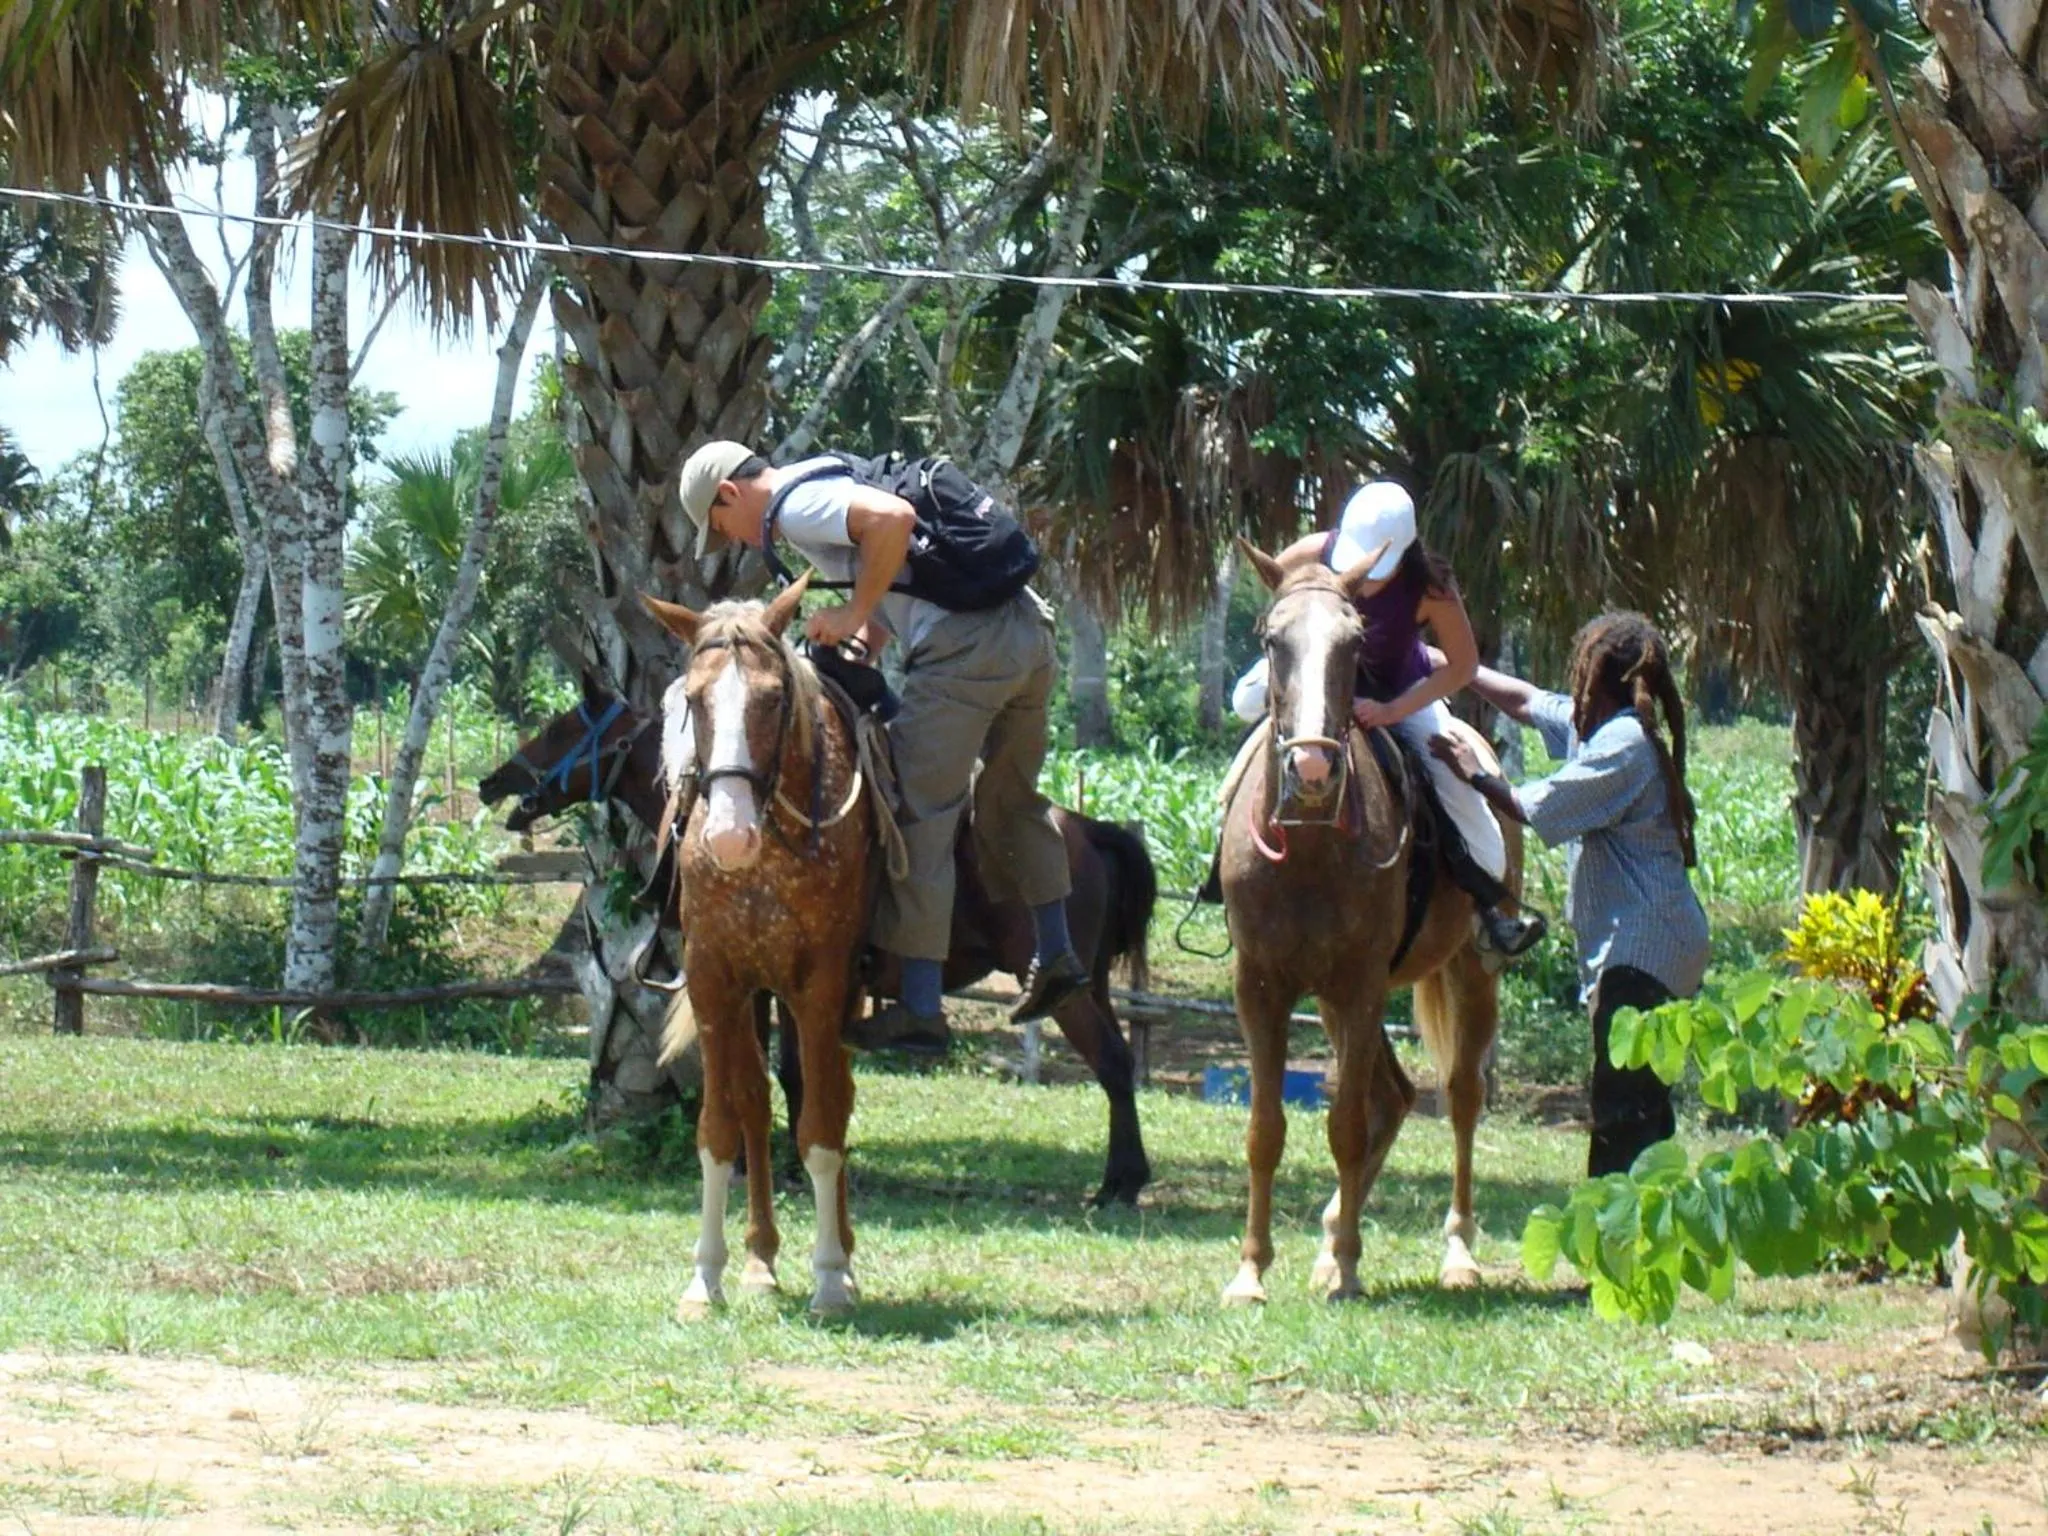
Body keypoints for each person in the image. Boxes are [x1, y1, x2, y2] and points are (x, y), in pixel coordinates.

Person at [675, 441, 1088, 1058]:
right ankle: (1056, 952)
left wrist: (852, 611)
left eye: (719, 525)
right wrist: (868, 631)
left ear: (730, 495)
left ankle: (919, 1008)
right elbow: (903, 556)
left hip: (964, 653)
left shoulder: (793, 508)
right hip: (1027, 634)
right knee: (1011, 797)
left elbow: (891, 521)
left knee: (915, 809)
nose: (730, 538)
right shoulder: (829, 470)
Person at [1428, 612, 1710, 1178]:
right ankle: (1650, 1240)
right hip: (1653, 946)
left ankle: (1614, 1247)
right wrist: (1461, 671)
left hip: (1643, 949)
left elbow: (1538, 807)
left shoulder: (1623, 744)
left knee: (1621, 1109)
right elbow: (1529, 702)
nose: (1573, 681)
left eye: (1583, 667)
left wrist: (1473, 774)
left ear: (1600, 676)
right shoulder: (1598, 727)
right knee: (1643, 1108)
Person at [1229, 480, 1544, 962]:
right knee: (1242, 706)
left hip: (1402, 696)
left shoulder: (1432, 585)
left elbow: (1461, 666)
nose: (1364, 574)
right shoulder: (1315, 550)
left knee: (1463, 800)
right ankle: (1224, 875)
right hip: (1314, 679)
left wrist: (1392, 712)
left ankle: (1490, 914)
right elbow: (1280, 600)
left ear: (1405, 550)